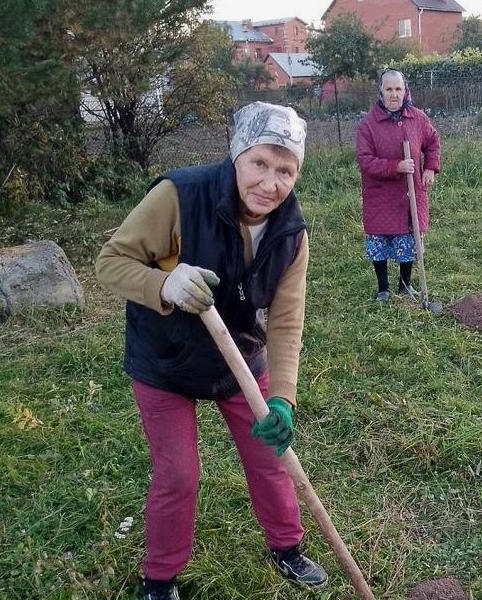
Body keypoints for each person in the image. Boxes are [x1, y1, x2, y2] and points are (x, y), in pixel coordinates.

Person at [95, 101, 327, 600]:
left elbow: (286, 320)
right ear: (236, 155)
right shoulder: (180, 195)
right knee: (178, 473)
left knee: (271, 452)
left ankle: (286, 548)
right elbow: (111, 262)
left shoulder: (290, 232)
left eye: (285, 170)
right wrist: (164, 284)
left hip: (238, 357)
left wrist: (283, 396)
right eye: (259, 163)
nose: (271, 182)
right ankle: (159, 579)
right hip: (166, 359)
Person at [356, 68, 441, 302]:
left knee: (407, 241)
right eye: (389, 89)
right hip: (380, 196)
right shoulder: (368, 125)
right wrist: (396, 167)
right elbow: (365, 160)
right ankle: (383, 288)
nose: (394, 94)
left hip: (409, 194)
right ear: (380, 92)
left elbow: (433, 142)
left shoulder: (417, 118)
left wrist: (430, 168)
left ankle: (405, 286)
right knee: (379, 242)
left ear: (405, 91)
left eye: (398, 89)